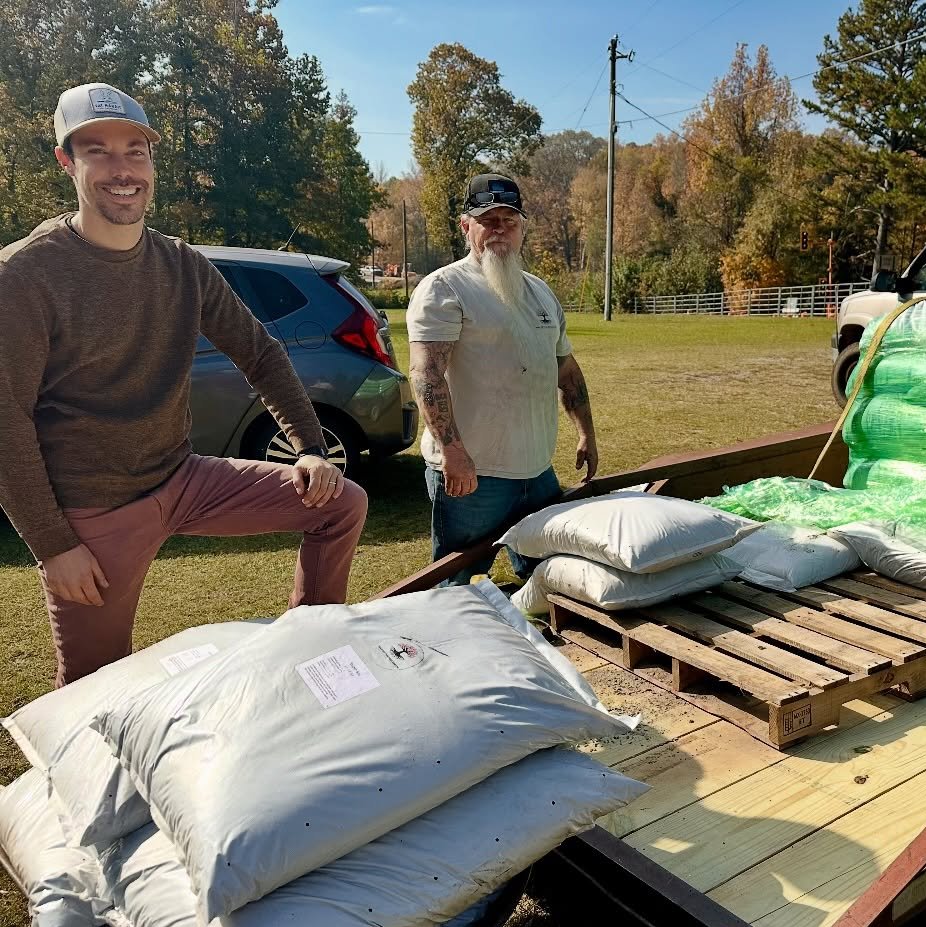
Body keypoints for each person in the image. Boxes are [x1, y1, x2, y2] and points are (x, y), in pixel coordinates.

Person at [0, 82, 368, 687]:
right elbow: (7, 416)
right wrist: (52, 544)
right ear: (67, 161)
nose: (122, 170)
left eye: (135, 151)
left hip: (185, 477)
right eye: (99, 151)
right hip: (97, 511)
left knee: (340, 505)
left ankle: (312, 658)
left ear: (152, 162)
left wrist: (309, 447)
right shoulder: (26, 274)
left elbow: (259, 352)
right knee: (94, 692)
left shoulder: (181, 264)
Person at [407, 173, 598, 586]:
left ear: (522, 228)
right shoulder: (444, 288)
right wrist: (452, 452)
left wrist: (586, 434)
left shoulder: (540, 293)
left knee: (545, 579)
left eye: (509, 221)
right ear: (466, 226)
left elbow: (565, 369)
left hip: (537, 471)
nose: (499, 229)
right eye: (487, 219)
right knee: (454, 586)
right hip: (474, 475)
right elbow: (426, 375)